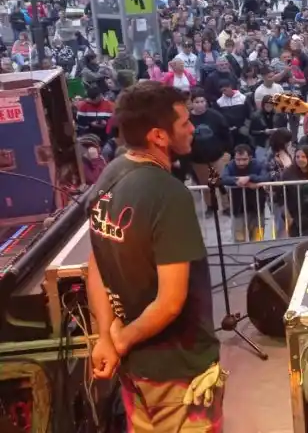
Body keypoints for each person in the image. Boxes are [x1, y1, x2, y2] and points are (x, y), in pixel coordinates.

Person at [86, 81, 223, 432]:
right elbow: (170, 302)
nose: (193, 128)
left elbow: (96, 266)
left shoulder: (109, 174)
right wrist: (119, 340)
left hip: (136, 371)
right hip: (180, 369)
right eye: (183, 123)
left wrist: (106, 335)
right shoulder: (169, 194)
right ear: (159, 137)